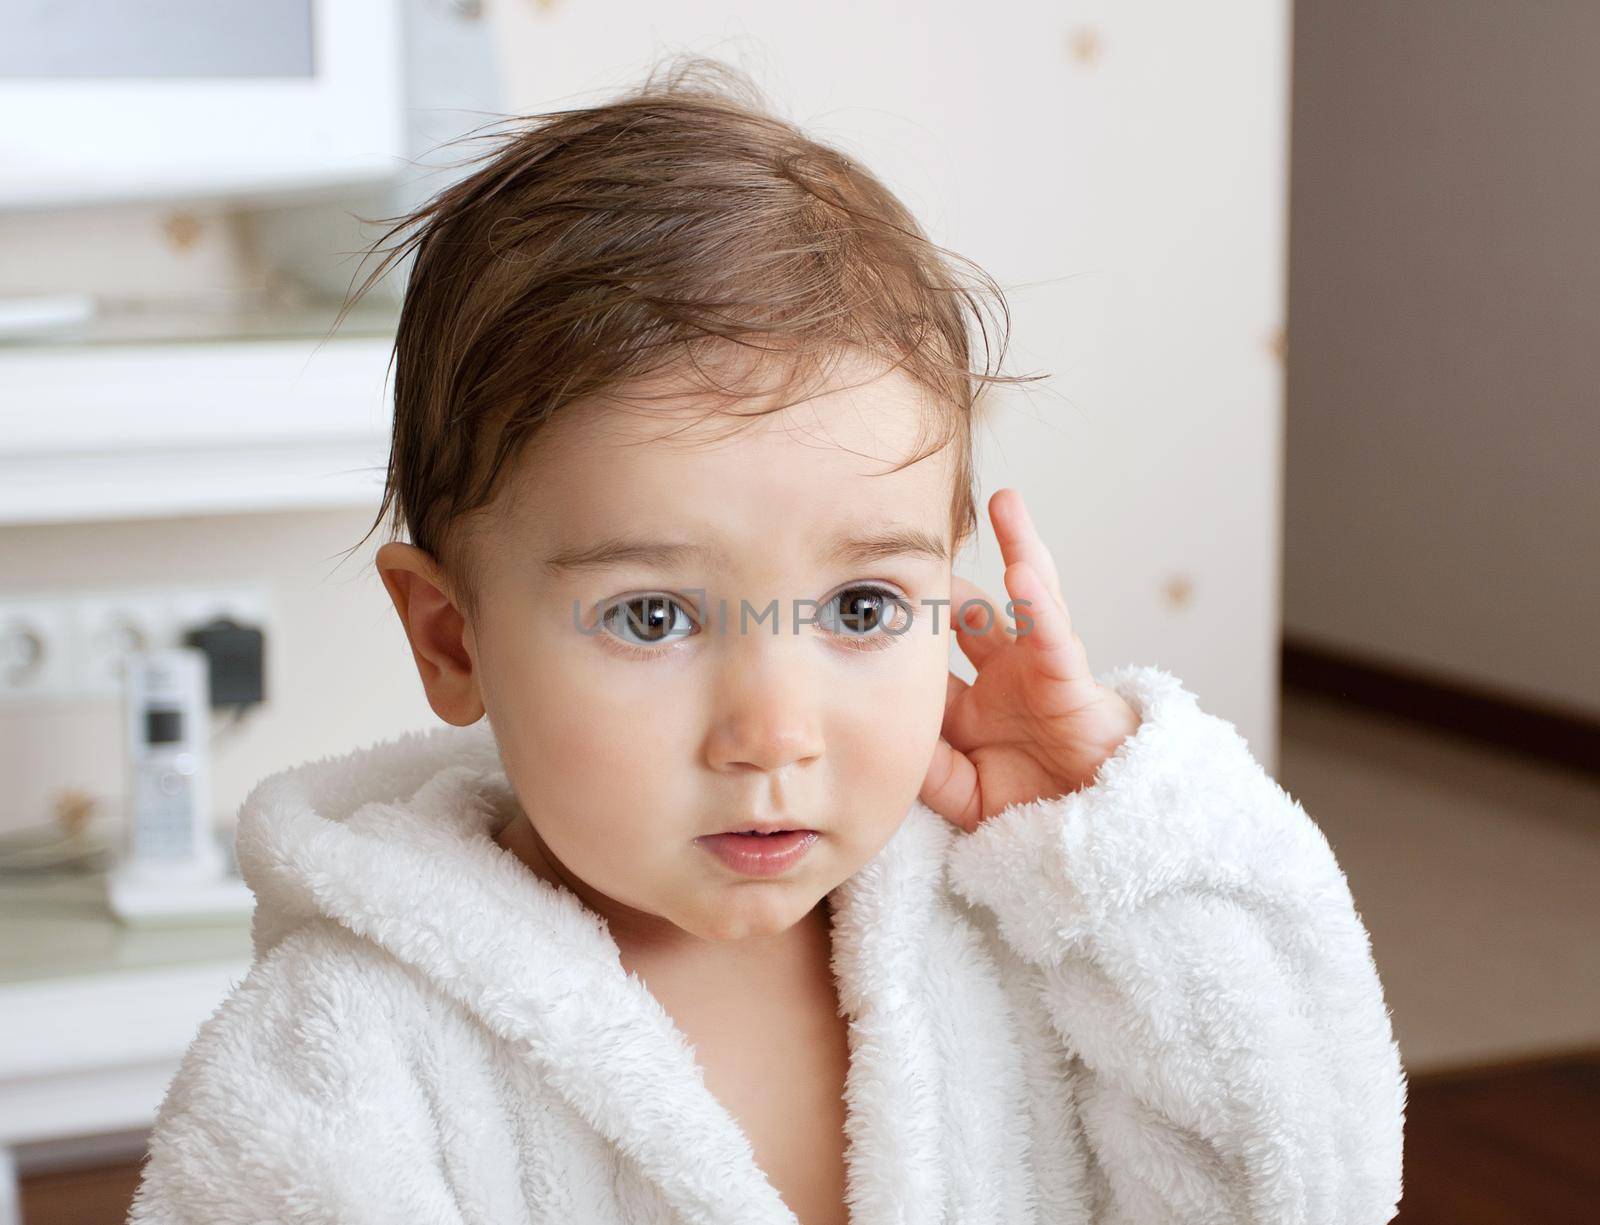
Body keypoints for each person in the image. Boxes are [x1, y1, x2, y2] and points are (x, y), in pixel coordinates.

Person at [126, 56, 1405, 1225]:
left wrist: (1112, 841)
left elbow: (1292, 1177)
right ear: (451, 639)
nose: (773, 730)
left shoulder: (1027, 928)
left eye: (860, 609)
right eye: (652, 615)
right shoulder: (352, 1053)